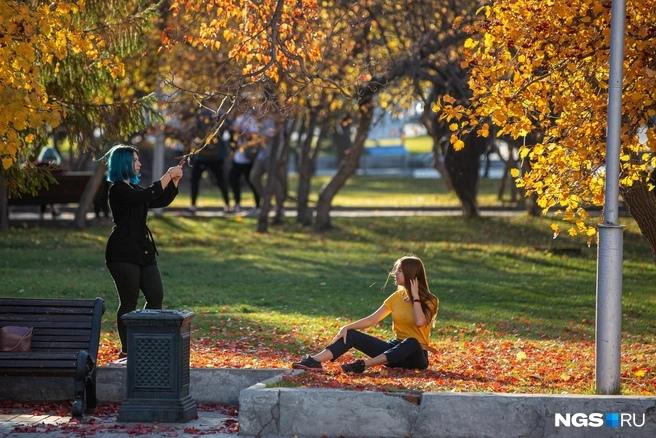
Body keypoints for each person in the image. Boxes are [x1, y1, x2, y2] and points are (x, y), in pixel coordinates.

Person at [292, 256, 439, 373]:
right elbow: (372, 319)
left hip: (416, 355)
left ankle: (363, 365)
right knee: (351, 334)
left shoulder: (430, 300)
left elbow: (420, 322)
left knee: (411, 341)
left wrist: (415, 297)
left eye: (399, 271)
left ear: (410, 274)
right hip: (393, 352)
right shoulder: (396, 297)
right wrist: (346, 327)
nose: (394, 274)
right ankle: (314, 361)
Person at [102, 144, 183, 356]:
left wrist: (174, 182)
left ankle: (144, 341)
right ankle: (128, 350)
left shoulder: (135, 188)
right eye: (136, 160)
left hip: (143, 252)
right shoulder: (117, 189)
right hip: (122, 253)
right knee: (128, 302)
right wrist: (166, 175)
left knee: (156, 296)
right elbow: (145, 196)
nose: (140, 164)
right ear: (124, 163)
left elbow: (158, 199)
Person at [188, 111, 231, 214]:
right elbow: (193, 138)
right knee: (194, 181)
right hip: (201, 158)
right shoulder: (198, 125)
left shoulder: (217, 126)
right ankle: (193, 205)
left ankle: (227, 205)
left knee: (221, 182)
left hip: (215, 158)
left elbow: (223, 133)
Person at [228, 111, 261, 212]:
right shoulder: (238, 119)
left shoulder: (252, 120)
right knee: (233, 179)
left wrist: (244, 132)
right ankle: (237, 204)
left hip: (249, 159)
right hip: (238, 158)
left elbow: (255, 136)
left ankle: (257, 205)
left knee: (252, 182)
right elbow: (233, 135)